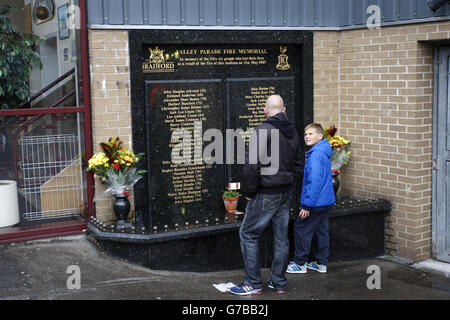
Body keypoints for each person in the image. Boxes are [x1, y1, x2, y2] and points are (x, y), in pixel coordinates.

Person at [229, 94, 303, 295]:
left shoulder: (262, 131)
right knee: (281, 239)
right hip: (285, 193)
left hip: (266, 193)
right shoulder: (293, 133)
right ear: (284, 110)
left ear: (265, 111)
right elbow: (299, 165)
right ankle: (278, 282)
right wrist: (287, 183)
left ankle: (252, 283)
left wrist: (249, 192)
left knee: (248, 234)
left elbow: (252, 166)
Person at [286, 123, 335, 274]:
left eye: (311, 134)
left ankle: (300, 264)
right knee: (321, 231)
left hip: (315, 203)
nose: (307, 136)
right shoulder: (323, 151)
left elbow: (314, 181)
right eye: (306, 134)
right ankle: (321, 263)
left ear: (320, 136)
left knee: (301, 228)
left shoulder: (315, 155)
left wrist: (307, 205)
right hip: (325, 201)